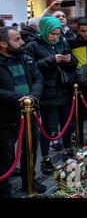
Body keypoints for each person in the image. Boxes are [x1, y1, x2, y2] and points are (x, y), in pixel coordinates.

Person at [25, 16, 77, 174]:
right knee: (49, 128)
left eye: (58, 33)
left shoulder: (62, 42)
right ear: (45, 31)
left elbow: (73, 63)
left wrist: (68, 59)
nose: (56, 37)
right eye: (52, 34)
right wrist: (51, 60)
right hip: (47, 92)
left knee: (66, 124)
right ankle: (45, 158)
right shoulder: (33, 46)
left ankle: (68, 150)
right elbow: (31, 68)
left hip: (64, 89)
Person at [0, 27, 46, 197]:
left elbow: (38, 79)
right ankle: (3, 188)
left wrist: (33, 96)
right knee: (6, 156)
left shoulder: (26, 59)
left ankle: (30, 181)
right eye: (17, 39)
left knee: (31, 150)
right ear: (3, 44)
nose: (22, 42)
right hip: (6, 117)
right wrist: (18, 98)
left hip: (30, 113)